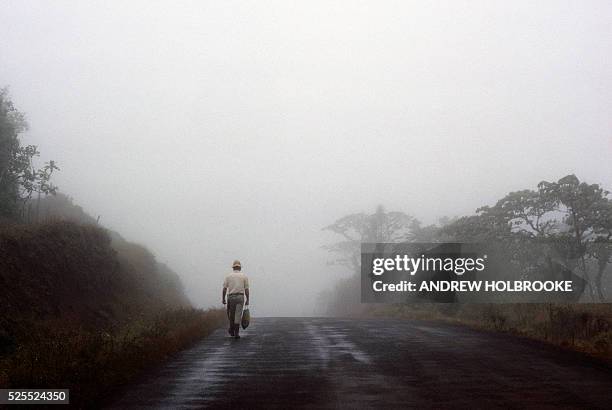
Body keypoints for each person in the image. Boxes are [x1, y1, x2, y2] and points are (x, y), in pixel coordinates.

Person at [222, 260, 250, 339]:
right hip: (240, 297)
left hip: (231, 297)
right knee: (238, 315)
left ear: (233, 267)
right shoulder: (244, 276)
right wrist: (248, 299)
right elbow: (246, 289)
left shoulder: (228, 276)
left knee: (231, 315)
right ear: (240, 267)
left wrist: (223, 299)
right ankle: (236, 333)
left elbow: (224, 289)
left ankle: (232, 330)